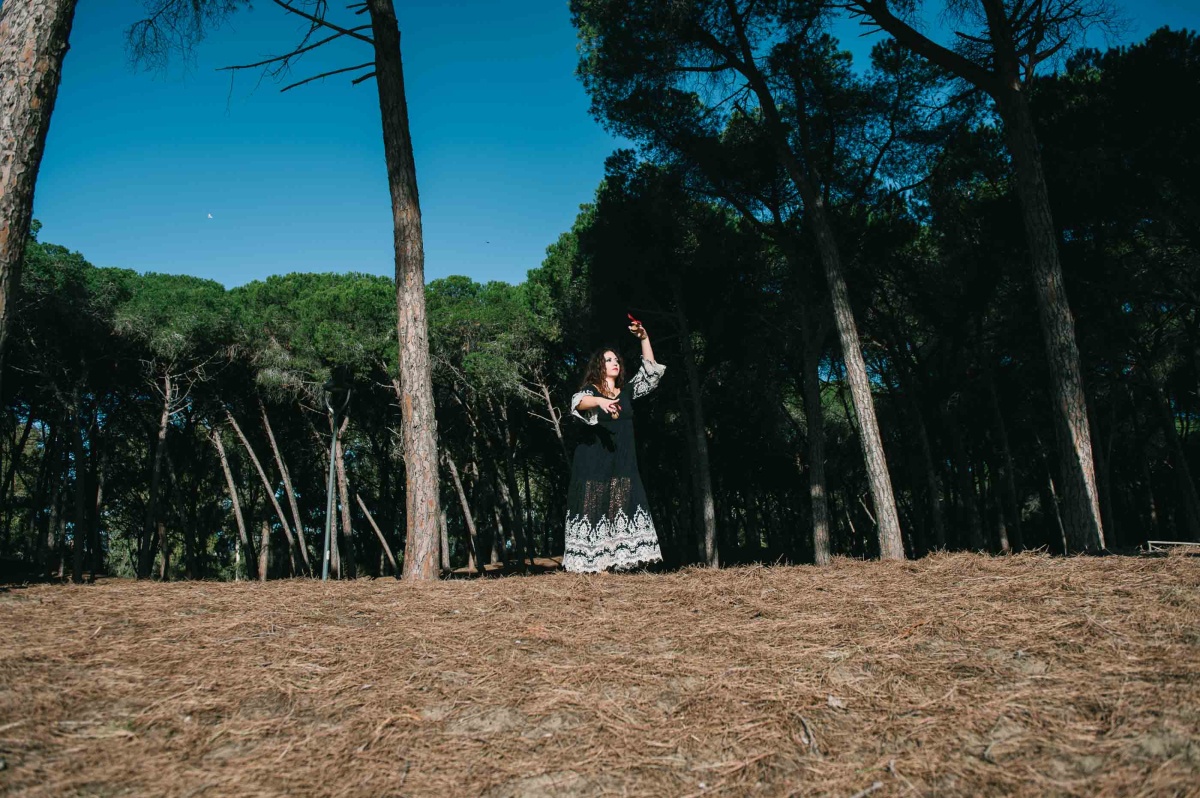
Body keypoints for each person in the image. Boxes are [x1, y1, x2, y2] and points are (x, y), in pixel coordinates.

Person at [564, 317, 666, 572]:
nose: (615, 363)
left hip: (623, 462)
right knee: (595, 507)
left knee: (622, 505)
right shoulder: (590, 391)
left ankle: (617, 563)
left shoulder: (628, 391)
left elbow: (651, 373)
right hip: (593, 463)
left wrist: (644, 338)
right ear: (599, 366)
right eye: (609, 360)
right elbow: (578, 403)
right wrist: (599, 402)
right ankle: (594, 565)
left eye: (617, 360)